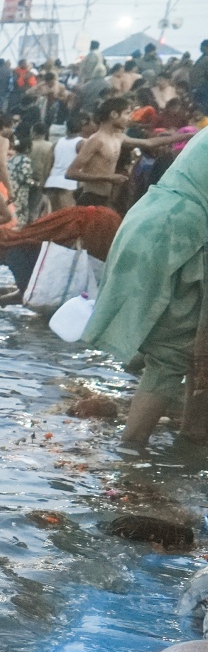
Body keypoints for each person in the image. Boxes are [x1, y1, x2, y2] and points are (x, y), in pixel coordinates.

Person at [81, 135, 208, 447]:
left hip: (147, 220)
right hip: (180, 232)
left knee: (172, 339)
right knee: (172, 356)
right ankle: (131, 451)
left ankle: (192, 434)